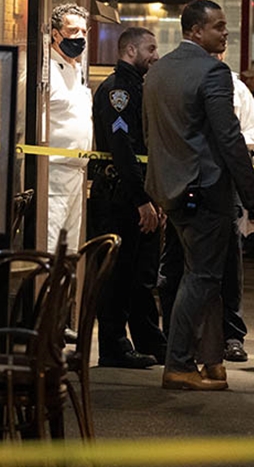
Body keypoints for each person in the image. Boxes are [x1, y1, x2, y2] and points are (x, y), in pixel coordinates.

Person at [143, 0, 254, 391]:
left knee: (203, 275)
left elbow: (153, 133)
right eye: (218, 27)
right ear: (196, 31)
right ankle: (178, 363)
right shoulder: (213, 72)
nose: (225, 33)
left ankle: (211, 361)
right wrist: (253, 194)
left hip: (170, 189)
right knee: (202, 277)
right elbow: (229, 138)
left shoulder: (158, 69)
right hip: (205, 189)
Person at [157, 52, 254, 364]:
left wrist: (229, 148)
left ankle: (231, 336)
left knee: (227, 266)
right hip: (180, 184)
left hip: (219, 185)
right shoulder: (171, 80)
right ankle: (174, 341)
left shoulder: (231, 84)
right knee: (176, 267)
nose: (217, 52)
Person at [89, 27, 167, 369]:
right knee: (118, 275)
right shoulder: (117, 91)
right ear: (130, 50)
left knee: (141, 275)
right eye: (150, 48)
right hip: (119, 198)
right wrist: (141, 200)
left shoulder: (138, 86)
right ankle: (114, 346)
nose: (156, 54)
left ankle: (150, 340)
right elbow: (122, 150)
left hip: (139, 195)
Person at [46, 3, 92, 253]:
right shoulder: (45, 71)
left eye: (84, 32)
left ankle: (64, 294)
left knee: (70, 251)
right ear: (55, 34)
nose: (80, 38)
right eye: (73, 31)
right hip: (52, 173)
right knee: (51, 248)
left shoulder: (78, 69)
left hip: (77, 174)